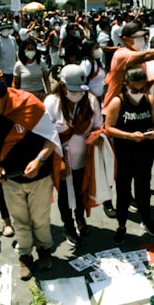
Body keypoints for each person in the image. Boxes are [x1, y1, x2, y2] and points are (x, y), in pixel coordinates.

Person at [0, 76, 61, 281]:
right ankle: (25, 255)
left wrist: (38, 161)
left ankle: (45, 250)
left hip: (39, 177)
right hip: (10, 180)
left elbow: (51, 138)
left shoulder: (30, 105)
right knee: (20, 221)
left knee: (40, 219)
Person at [44, 65, 105, 245]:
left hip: (84, 159)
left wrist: (98, 138)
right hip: (60, 159)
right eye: (72, 90)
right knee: (64, 195)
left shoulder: (91, 100)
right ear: (63, 86)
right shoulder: (51, 103)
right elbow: (46, 134)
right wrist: (59, 161)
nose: (77, 94)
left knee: (81, 191)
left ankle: (80, 219)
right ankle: (68, 227)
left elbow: (98, 126)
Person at [104, 67, 154, 244]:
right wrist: (129, 136)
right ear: (126, 85)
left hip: (145, 152)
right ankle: (122, 225)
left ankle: (147, 219)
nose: (138, 93)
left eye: (142, 89)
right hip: (124, 153)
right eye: (135, 90)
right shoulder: (117, 102)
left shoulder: (149, 99)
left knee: (144, 188)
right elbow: (108, 128)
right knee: (123, 191)